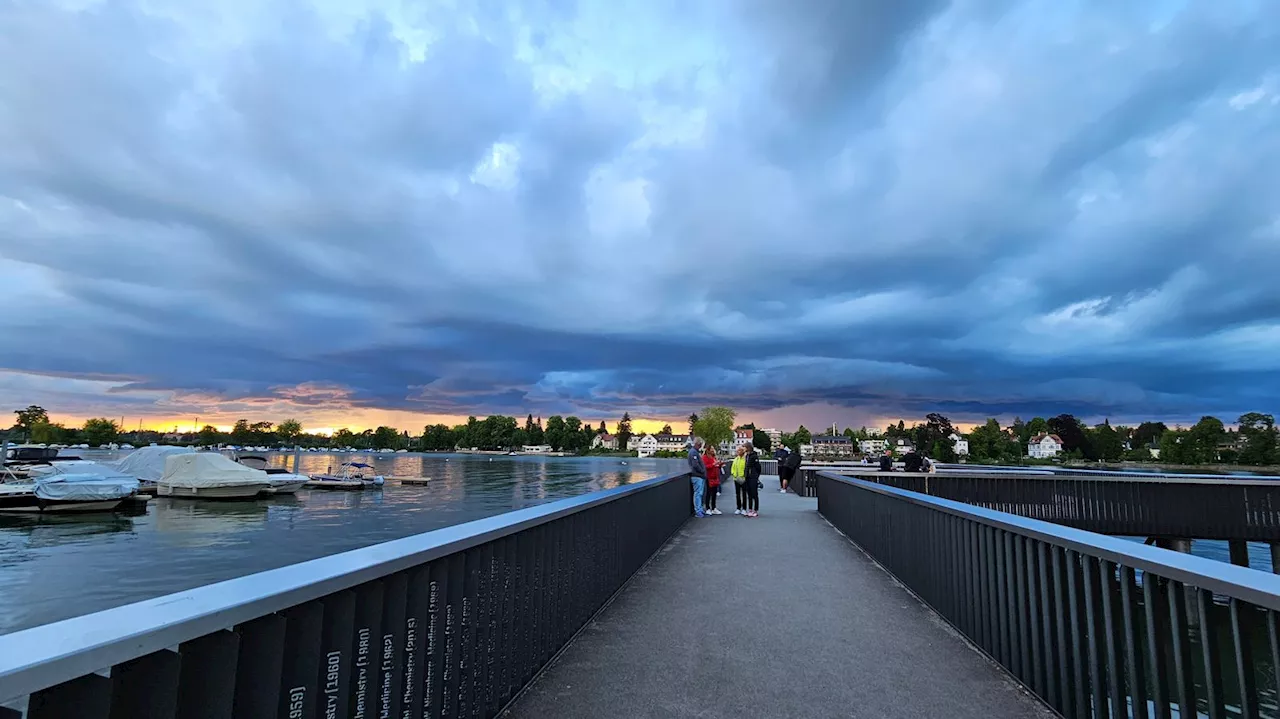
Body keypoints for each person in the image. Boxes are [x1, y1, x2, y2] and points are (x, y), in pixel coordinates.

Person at [687, 439, 708, 517]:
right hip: (697, 476)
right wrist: (702, 470)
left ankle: (700, 509)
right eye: (701, 444)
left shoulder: (695, 452)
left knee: (699, 493)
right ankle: (698, 511)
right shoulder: (693, 452)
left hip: (699, 476)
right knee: (698, 494)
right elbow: (695, 465)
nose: (701, 446)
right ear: (698, 444)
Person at [744, 442, 762, 517]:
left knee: (754, 494)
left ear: (748, 448)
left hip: (753, 477)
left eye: (745, 447)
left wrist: (756, 476)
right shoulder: (747, 456)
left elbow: (758, 467)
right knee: (749, 494)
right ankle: (750, 509)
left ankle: (755, 510)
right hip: (747, 477)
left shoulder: (754, 456)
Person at [702, 446, 722, 515]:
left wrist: (719, 465)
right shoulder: (704, 457)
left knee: (714, 493)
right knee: (708, 493)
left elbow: (715, 465)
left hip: (715, 477)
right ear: (708, 450)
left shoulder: (713, 457)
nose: (713, 450)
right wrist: (713, 464)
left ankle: (714, 508)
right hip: (709, 477)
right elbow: (705, 467)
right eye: (712, 449)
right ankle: (707, 508)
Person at [731, 444, 748, 514]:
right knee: (737, 494)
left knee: (744, 494)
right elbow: (733, 468)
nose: (738, 452)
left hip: (743, 479)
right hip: (736, 478)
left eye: (739, 451)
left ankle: (744, 508)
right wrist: (734, 474)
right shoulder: (736, 459)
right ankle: (738, 508)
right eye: (737, 451)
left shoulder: (745, 459)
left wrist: (744, 476)